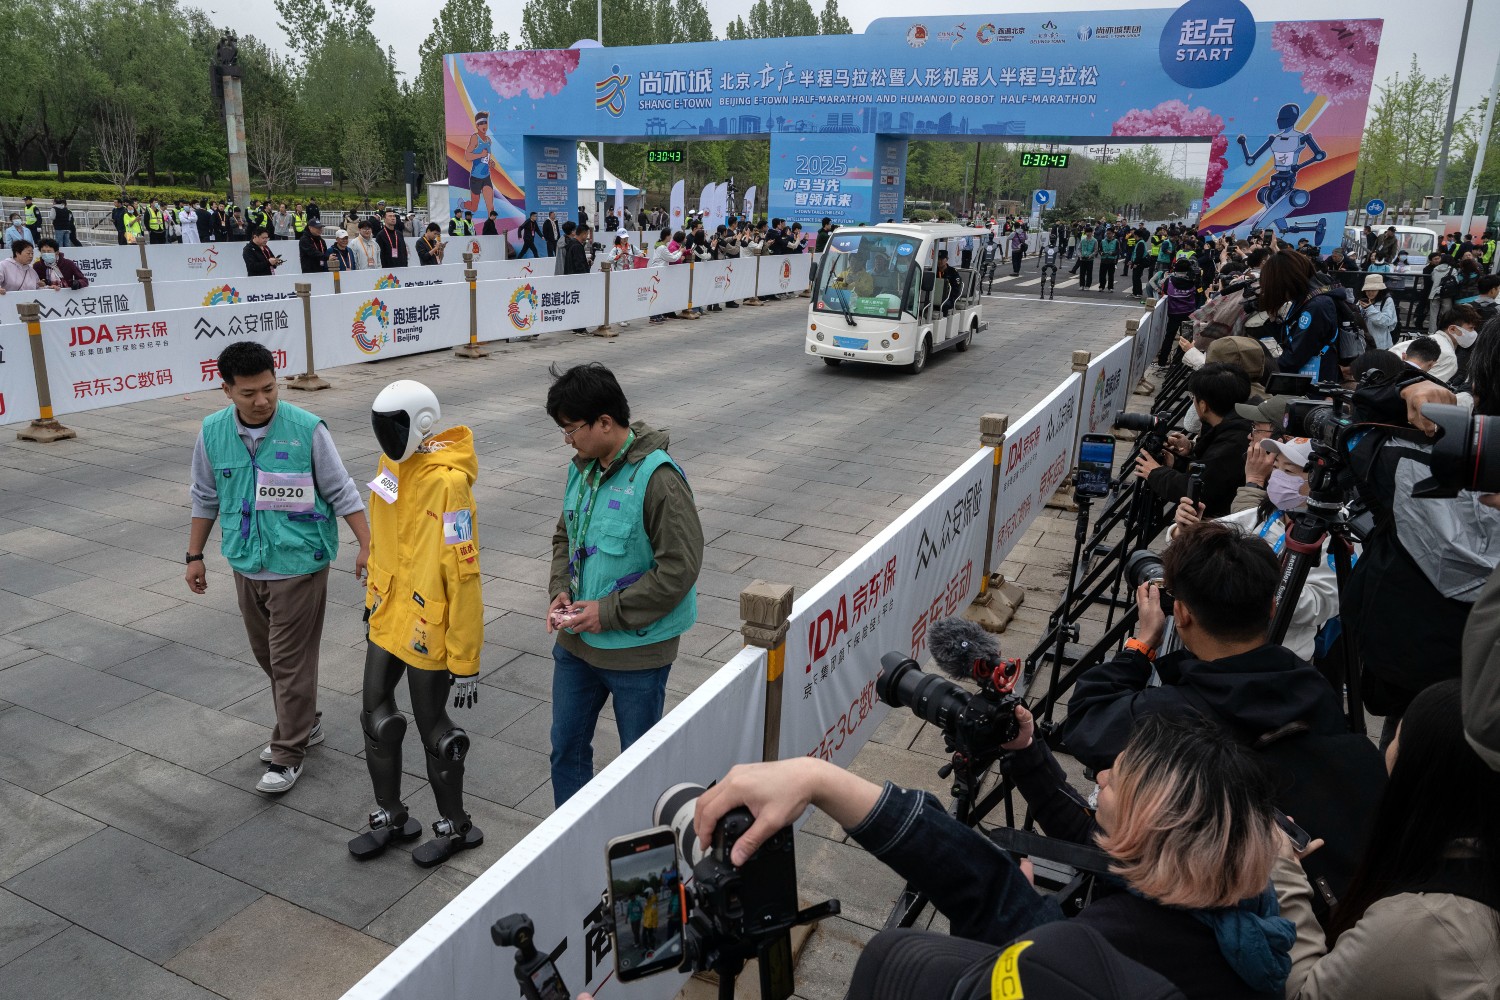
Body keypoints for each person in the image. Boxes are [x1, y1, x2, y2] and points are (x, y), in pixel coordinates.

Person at [684, 711, 1299, 999]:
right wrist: (1027, 752)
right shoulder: (1235, 900)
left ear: (1152, 832)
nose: (1104, 775)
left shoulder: (1100, 948)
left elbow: (981, 889)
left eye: (1120, 782)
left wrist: (821, 780)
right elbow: (1086, 838)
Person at [1061, 520, 1381, 912]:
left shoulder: (1170, 715)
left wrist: (1140, 646)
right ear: (1272, 607)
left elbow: (1085, 720)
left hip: (1200, 901)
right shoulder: (1313, 689)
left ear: (1181, 614)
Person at [186, 342, 369, 793]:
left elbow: (342, 490)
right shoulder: (212, 433)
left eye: (269, 389)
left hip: (299, 562)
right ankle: (305, 722)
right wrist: (194, 556)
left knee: (288, 661)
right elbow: (205, 497)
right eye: (248, 393)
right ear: (226, 389)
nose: (262, 400)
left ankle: (288, 753)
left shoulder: (306, 429)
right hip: (247, 561)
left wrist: (368, 545)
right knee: (268, 656)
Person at [1277, 679, 1500, 998]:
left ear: (1420, 773)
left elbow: (1307, 994)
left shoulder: (1419, 925)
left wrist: (1284, 875)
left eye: (1400, 736)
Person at [545, 363, 704, 806]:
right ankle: (571, 844)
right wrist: (560, 586)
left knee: (640, 765)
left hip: (638, 653)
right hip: (576, 645)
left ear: (605, 423)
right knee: (566, 751)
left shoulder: (660, 479)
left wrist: (608, 612)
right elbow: (565, 535)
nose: (568, 440)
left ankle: (639, 857)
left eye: (572, 429)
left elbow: (680, 568)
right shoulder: (583, 468)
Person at [1342, 324, 1500, 744]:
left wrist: (1402, 391)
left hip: (1417, 684)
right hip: (1450, 687)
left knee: (1408, 779)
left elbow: (1355, 430)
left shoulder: (1409, 461)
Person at [351, 379, 485, 866]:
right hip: (388, 611)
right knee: (376, 718)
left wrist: (466, 657)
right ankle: (390, 813)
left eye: (394, 427)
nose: (386, 438)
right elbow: (384, 535)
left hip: (429, 621)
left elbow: (464, 572)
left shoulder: (450, 486)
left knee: (437, 731)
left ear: (422, 423)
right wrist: (373, 597)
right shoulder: (390, 466)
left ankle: (455, 826)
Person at [1172, 437, 1344, 661]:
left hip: (1280, 660)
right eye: (1276, 467)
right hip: (1221, 649)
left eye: (1289, 471)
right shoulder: (1266, 515)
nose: (1278, 476)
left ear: (1318, 479)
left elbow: (1320, 605)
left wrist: (1250, 583)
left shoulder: (1335, 534)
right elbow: (1211, 532)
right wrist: (1185, 531)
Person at [1134, 362, 1253, 517]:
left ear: (1203, 405)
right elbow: (1213, 472)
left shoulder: (1234, 441)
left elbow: (1198, 490)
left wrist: (1155, 473)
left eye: (1193, 398)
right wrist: (1179, 461)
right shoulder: (1238, 424)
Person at [1390, 304, 1478, 383]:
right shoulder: (1449, 357)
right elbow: (1425, 389)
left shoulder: (1409, 343)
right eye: (1471, 328)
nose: (1473, 333)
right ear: (1452, 329)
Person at [1155, 260, 1199, 367]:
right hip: (1189, 314)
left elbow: (1163, 290)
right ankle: (1178, 362)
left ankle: (1162, 361)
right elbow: (1199, 293)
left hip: (1173, 313)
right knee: (1186, 338)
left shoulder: (1169, 281)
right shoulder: (1194, 281)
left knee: (1169, 337)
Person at [1358, 274, 1397, 350]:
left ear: (1380, 290)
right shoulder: (1363, 300)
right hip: (1363, 341)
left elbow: (1386, 321)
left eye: (1373, 290)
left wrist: (1369, 309)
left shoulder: (1387, 300)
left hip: (1380, 344)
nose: (1370, 293)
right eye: (1368, 290)